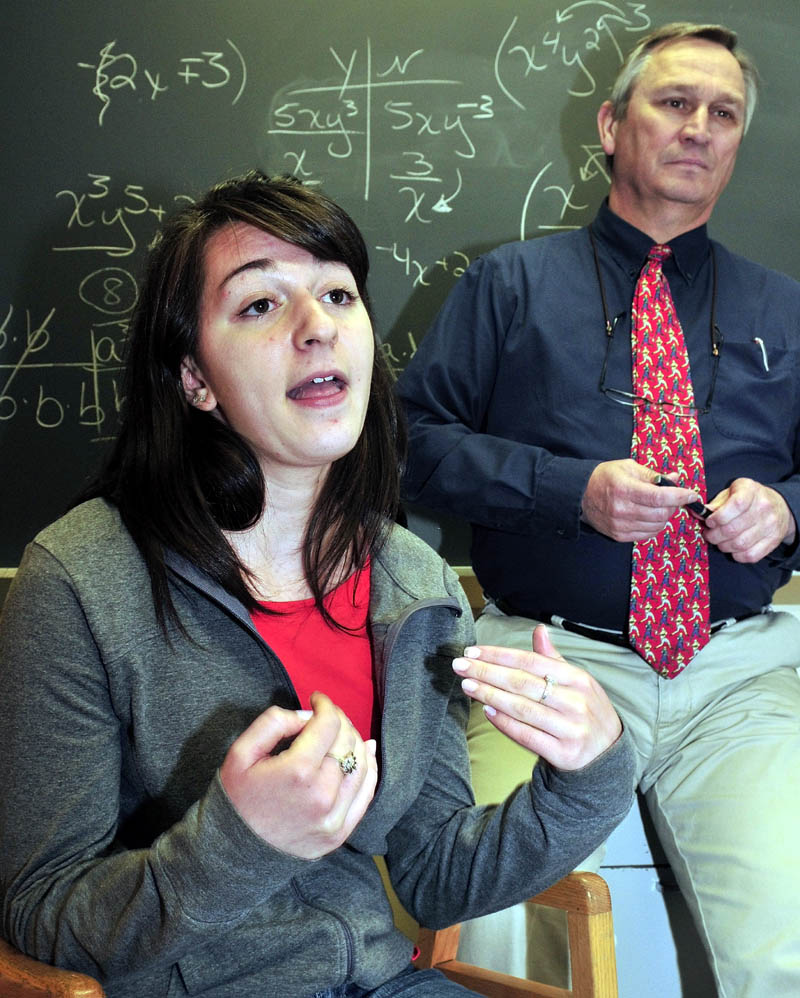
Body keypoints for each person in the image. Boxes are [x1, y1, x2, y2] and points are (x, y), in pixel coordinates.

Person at [0, 171, 633, 998]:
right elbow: (39, 910)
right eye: (260, 305)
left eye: (338, 296)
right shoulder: (80, 580)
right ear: (195, 377)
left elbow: (437, 875)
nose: (316, 329)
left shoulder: (416, 580)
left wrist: (594, 769)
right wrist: (237, 841)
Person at [398, 21, 800, 998]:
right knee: (487, 944)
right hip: (548, 658)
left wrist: (785, 510)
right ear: (611, 124)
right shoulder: (504, 284)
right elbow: (406, 448)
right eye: (672, 103)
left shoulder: (783, 310)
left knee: (780, 954)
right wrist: (565, 490)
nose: (697, 128)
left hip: (739, 673)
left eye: (722, 113)